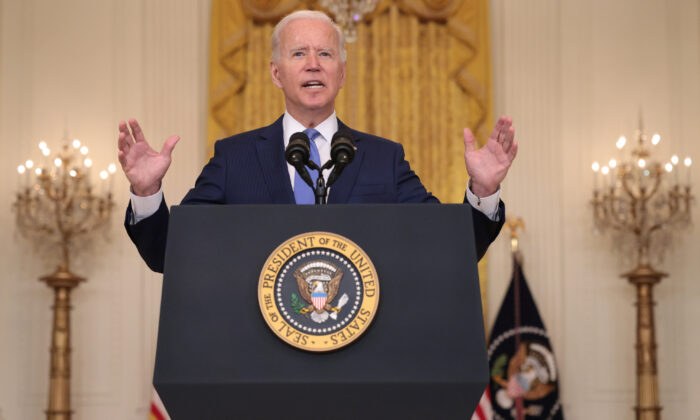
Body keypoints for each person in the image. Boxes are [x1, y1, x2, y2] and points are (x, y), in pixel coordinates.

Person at [119, 10, 517, 273]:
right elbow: (170, 254)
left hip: (359, 370)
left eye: (325, 53)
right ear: (276, 74)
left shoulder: (383, 159)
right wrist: (147, 191)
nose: (313, 63)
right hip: (260, 369)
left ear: (341, 74)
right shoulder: (234, 157)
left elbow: (447, 251)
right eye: (298, 53)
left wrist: (483, 190)